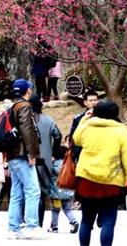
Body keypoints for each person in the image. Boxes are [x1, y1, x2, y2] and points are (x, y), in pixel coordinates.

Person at [73, 99, 127, 246]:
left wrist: (85, 119)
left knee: (86, 220)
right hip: (111, 182)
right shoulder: (121, 131)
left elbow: (76, 139)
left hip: (86, 180)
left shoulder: (87, 127)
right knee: (108, 221)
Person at [5, 79, 44, 240]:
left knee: (16, 192)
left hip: (12, 155)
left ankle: (13, 228)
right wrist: (32, 153)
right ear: (27, 90)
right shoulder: (25, 106)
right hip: (22, 155)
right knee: (33, 189)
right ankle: (32, 225)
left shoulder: (12, 106)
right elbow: (27, 130)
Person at [31, 96, 62, 227]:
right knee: (41, 193)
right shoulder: (48, 120)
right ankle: (40, 223)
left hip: (28, 160)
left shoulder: (25, 121)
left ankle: (30, 222)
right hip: (45, 161)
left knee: (30, 192)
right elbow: (58, 135)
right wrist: (53, 152)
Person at [48, 141, 79, 233]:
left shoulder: (53, 165)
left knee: (55, 210)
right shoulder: (69, 165)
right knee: (68, 209)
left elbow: (49, 174)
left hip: (56, 194)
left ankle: (54, 226)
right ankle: (74, 221)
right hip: (68, 192)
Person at [69, 88, 99, 162]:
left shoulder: (105, 117)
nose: (93, 102)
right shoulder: (78, 119)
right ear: (85, 102)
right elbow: (73, 138)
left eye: (95, 100)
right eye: (91, 100)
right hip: (84, 155)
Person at [30, 38, 56, 103]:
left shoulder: (45, 47)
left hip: (42, 67)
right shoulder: (41, 46)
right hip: (40, 68)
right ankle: (41, 96)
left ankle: (43, 96)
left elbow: (43, 57)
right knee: (39, 82)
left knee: (41, 83)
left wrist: (35, 53)